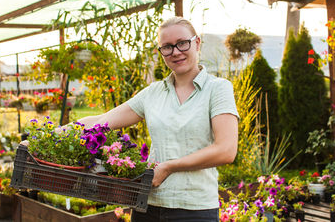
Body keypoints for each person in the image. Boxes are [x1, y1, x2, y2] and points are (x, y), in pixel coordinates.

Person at [27, 17, 239, 221]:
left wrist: (169, 167)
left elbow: (226, 150)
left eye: (182, 43)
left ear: (197, 43)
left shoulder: (217, 89)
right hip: (148, 207)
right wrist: (43, 139)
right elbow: (101, 120)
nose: (175, 52)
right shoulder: (154, 93)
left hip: (194, 209)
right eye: (167, 47)